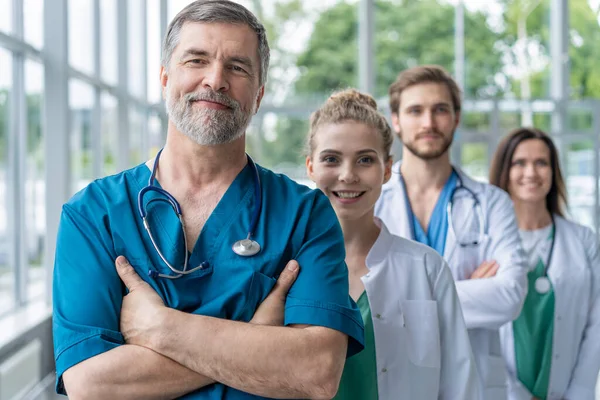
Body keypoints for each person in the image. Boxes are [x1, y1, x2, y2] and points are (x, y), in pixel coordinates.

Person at [52, 1, 364, 399]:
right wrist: (254, 337)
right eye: (196, 60)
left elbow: (317, 371)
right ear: (165, 78)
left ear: (259, 94)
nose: (215, 80)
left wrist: (161, 328)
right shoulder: (92, 214)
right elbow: (91, 385)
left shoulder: (304, 214)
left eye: (237, 67)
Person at [305, 88, 480, 399]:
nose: (347, 175)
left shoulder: (427, 268)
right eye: (331, 159)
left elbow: (460, 383)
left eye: (365, 160)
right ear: (311, 167)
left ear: (386, 169)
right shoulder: (287, 268)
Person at [374, 65, 528, 399]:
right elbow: (360, 297)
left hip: (474, 380)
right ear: (396, 120)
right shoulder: (371, 202)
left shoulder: (492, 203)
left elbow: (510, 296)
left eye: (440, 110)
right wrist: (467, 291)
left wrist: (403, 300)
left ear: (456, 118)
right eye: (416, 111)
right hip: (394, 381)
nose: (428, 123)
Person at [489, 127, 600, 400]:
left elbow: (597, 323)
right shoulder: (485, 243)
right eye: (520, 163)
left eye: (541, 163)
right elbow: (477, 333)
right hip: (501, 392)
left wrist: (580, 391)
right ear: (505, 171)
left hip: (570, 392)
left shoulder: (583, 239)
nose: (531, 173)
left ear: (554, 172)